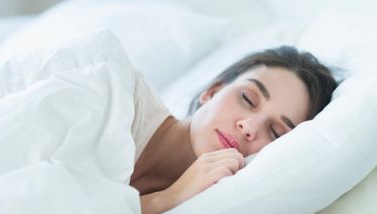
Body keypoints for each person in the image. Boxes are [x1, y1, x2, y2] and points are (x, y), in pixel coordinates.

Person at [129, 46, 338, 214]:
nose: (249, 127)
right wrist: (166, 198)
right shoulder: (117, 89)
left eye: (275, 132)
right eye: (247, 99)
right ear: (212, 92)